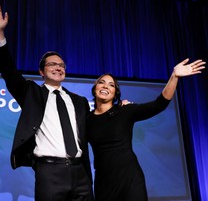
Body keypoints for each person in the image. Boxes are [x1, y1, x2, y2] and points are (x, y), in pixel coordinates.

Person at [0, 3, 94, 201]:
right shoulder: (31, 93)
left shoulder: (79, 101)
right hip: (49, 172)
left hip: (81, 173)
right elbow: (9, 72)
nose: (58, 67)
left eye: (61, 65)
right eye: (52, 64)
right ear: (41, 72)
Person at [87, 59, 206, 201]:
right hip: (104, 183)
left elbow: (159, 104)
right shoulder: (87, 119)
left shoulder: (125, 111)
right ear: (95, 88)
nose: (106, 86)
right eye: (101, 82)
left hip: (130, 180)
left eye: (111, 85)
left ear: (115, 93)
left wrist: (174, 76)